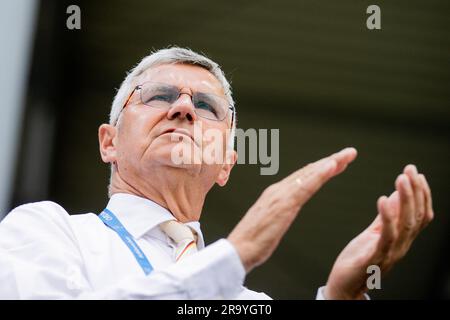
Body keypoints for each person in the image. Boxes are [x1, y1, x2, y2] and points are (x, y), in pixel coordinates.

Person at [0, 47, 434, 299]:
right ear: (108, 142)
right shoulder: (45, 231)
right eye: (159, 96)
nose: (184, 108)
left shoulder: (248, 302)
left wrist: (340, 295)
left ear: (227, 162)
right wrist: (238, 252)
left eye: (207, 107)